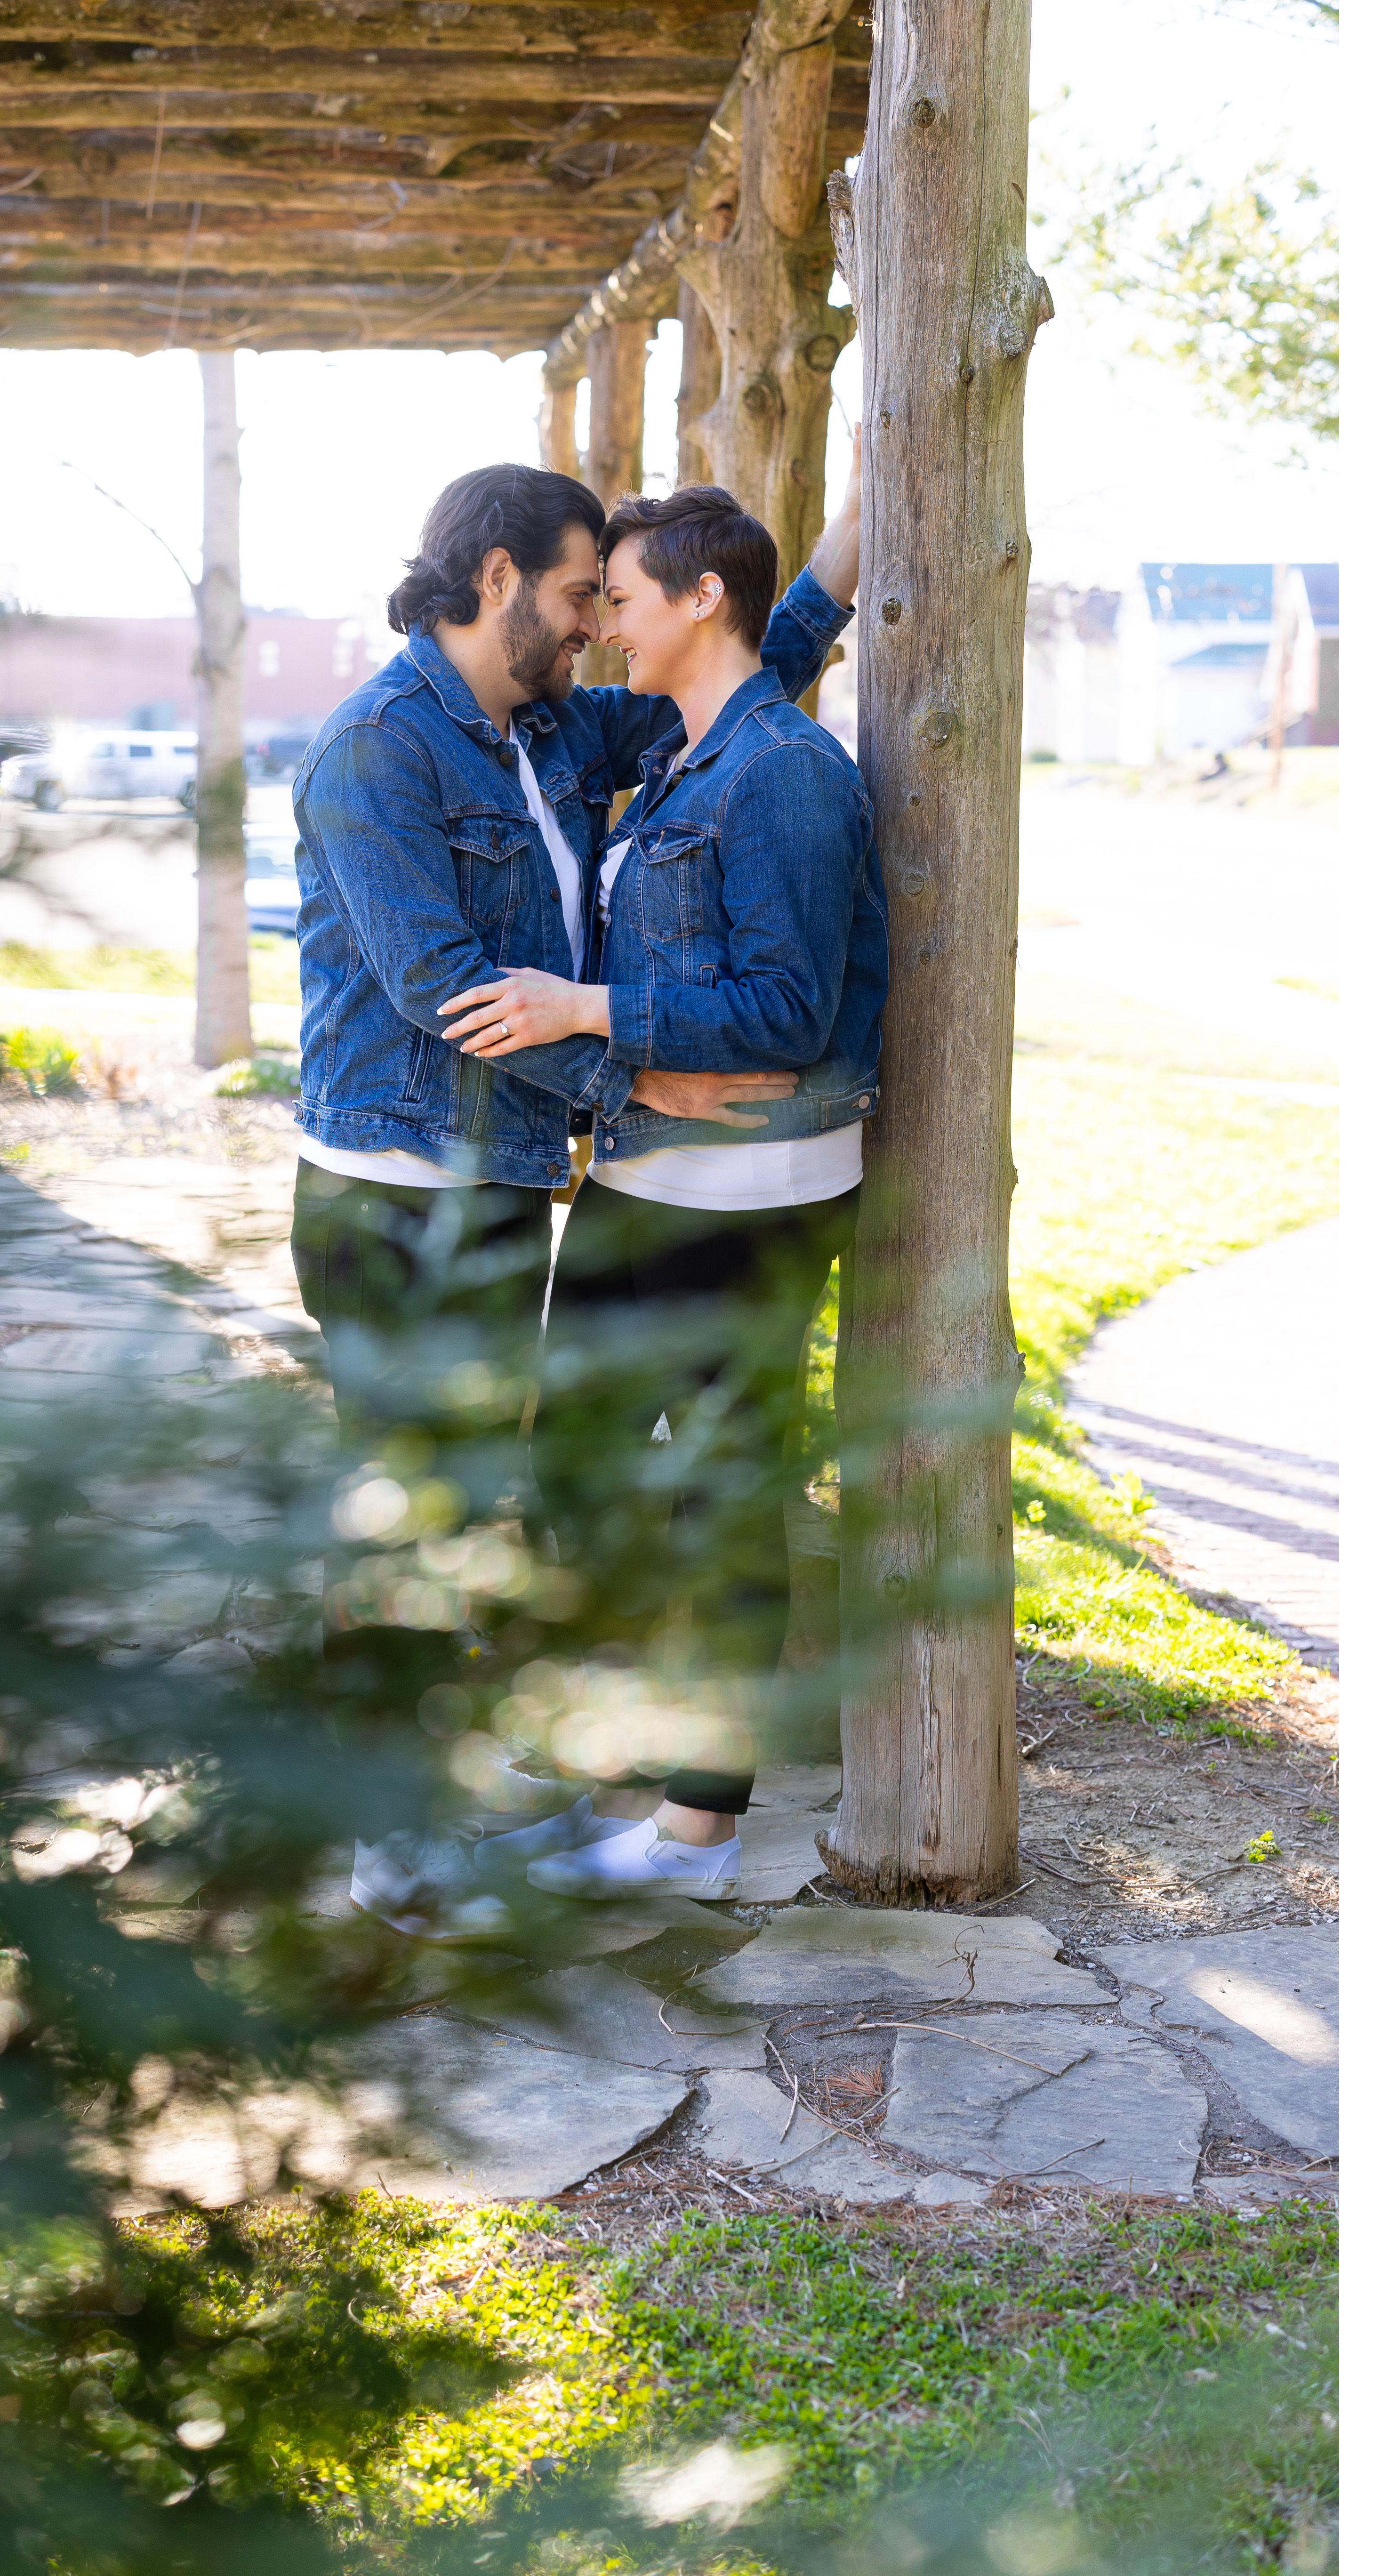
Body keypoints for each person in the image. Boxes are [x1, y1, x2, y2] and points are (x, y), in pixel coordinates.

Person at [292, 456, 864, 1935]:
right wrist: (643, 1074)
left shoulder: (547, 726)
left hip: (497, 1185)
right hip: (395, 1194)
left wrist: (849, 543)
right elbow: (444, 992)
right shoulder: (373, 752)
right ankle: (389, 1833)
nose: (594, 622)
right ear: (495, 582)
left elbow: (735, 674)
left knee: (469, 1512)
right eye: (572, 592)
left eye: (610, 596)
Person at [434, 482, 888, 1899]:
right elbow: (786, 627)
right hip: (647, 1172)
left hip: (750, 1190)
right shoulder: (691, 755)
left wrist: (588, 1013)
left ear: (701, 600)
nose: (604, 624)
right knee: (572, 1470)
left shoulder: (787, 771)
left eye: (621, 598)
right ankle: (614, 1750)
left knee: (723, 1500)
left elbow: (788, 1012)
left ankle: (701, 1829)